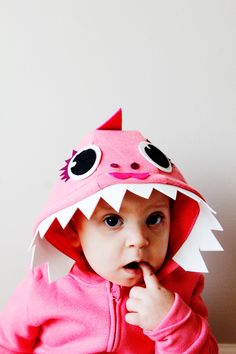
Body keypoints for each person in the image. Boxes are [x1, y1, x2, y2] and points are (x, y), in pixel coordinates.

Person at [0, 109, 223, 353]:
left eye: (154, 218)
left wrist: (172, 322)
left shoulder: (180, 284)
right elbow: (7, 345)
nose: (139, 240)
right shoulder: (44, 285)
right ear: (73, 233)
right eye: (112, 221)